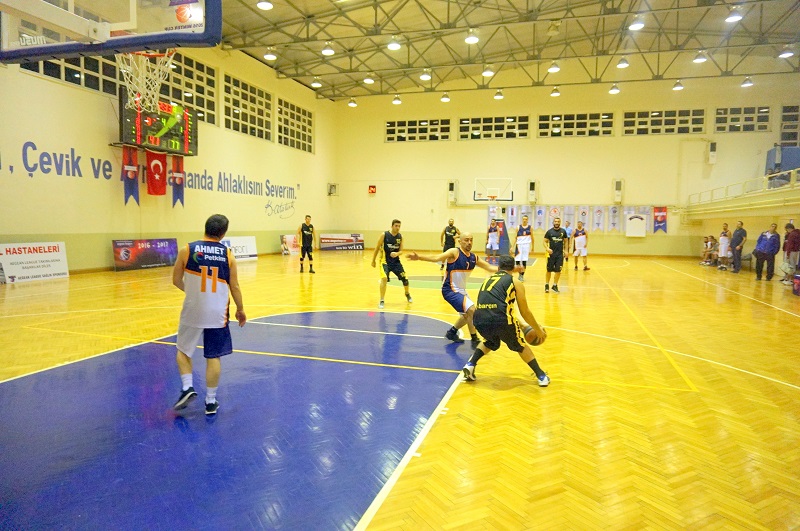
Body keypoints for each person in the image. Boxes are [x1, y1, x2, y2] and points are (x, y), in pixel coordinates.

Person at [171, 214, 247, 416]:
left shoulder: (187, 250)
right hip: (218, 312)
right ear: (223, 233)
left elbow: (176, 280)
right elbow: (235, 286)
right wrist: (240, 309)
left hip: (193, 309)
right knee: (213, 356)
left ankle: (187, 386)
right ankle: (211, 402)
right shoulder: (228, 254)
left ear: (205, 227)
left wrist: (193, 293)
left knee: (183, 350)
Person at [462, 255, 549, 386]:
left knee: (490, 341)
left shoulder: (488, 280)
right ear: (513, 268)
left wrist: (522, 325)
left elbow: (499, 307)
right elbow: (525, 312)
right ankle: (541, 375)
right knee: (520, 345)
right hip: (500, 319)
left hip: (479, 319)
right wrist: (537, 330)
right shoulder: (515, 282)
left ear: (498, 267)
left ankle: (470, 365)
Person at [408, 232, 500, 348]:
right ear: (459, 241)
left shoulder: (474, 257)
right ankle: (474, 339)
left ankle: (451, 332)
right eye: (466, 240)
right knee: (472, 310)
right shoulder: (454, 252)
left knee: (466, 315)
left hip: (461, 290)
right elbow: (437, 258)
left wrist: (510, 269)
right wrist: (419, 257)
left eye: (471, 240)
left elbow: (489, 267)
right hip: (450, 290)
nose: (469, 242)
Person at [372, 219, 412, 309]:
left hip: (396, 262)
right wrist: (373, 260)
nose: (398, 228)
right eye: (396, 226)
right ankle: (382, 300)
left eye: (399, 226)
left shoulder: (400, 237)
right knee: (384, 278)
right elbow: (377, 247)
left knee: (405, 279)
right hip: (385, 262)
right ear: (392, 226)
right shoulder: (384, 235)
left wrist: (397, 254)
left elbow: (401, 251)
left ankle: (407, 293)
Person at [543, 217, 568, 293]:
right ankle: (547, 284)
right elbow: (544, 241)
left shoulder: (563, 231)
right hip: (551, 255)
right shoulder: (549, 232)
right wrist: (547, 248)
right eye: (555, 221)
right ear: (553, 222)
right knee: (549, 270)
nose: (556, 223)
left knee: (558, 270)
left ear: (560, 222)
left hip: (560, 255)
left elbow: (566, 241)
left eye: (558, 221)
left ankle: (555, 285)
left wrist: (566, 251)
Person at [511, 214, 533, 281]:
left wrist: (533, 247)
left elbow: (532, 238)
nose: (524, 220)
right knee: (517, 261)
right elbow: (515, 238)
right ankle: (519, 274)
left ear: (527, 220)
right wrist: (512, 247)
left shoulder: (530, 227)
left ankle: (522, 275)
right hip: (519, 246)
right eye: (523, 219)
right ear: (522, 220)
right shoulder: (518, 227)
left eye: (526, 219)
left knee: (524, 261)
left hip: (526, 246)